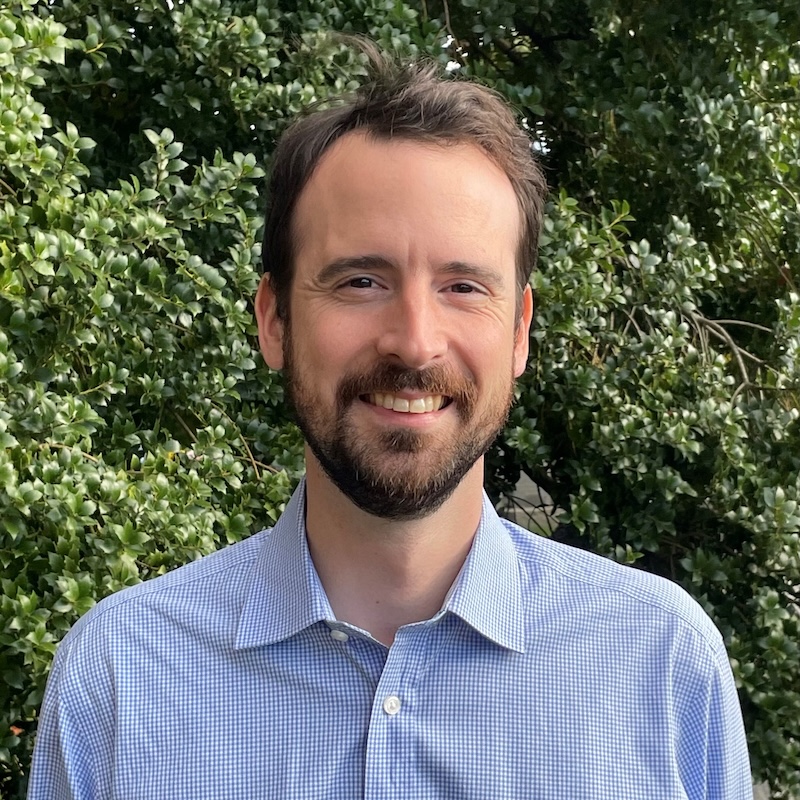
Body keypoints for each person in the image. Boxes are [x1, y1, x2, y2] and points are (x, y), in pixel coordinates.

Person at [28, 43, 752, 800]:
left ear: (519, 333)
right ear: (274, 321)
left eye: (463, 286)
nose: (414, 340)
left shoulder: (663, 668)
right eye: (361, 280)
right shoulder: (119, 678)